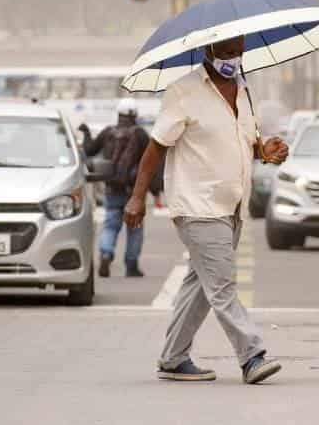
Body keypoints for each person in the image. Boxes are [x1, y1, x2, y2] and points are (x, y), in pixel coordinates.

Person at [124, 36, 289, 385]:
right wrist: (137, 197)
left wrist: (265, 150)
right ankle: (252, 356)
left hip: (233, 204)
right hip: (198, 204)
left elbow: (243, 143)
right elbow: (156, 148)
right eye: (227, 52)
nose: (233, 58)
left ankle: (172, 358)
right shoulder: (183, 91)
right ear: (207, 51)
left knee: (200, 285)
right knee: (223, 285)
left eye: (238, 51)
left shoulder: (243, 91)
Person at [79, 98, 151, 278]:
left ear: (119, 114)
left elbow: (89, 150)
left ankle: (106, 253)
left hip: (112, 189)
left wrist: (86, 133)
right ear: (135, 115)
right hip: (134, 191)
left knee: (110, 226)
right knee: (135, 228)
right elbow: (151, 161)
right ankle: (131, 265)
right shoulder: (141, 134)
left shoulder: (108, 132)